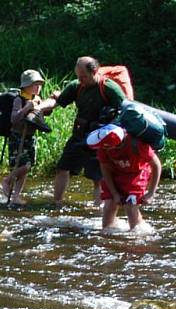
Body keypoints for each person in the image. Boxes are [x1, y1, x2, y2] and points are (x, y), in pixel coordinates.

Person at [37, 56, 126, 207]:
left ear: (95, 72)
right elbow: (57, 102)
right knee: (62, 168)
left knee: (97, 178)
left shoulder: (109, 88)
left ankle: (99, 210)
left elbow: (125, 112)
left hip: (100, 139)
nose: (81, 80)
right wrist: (38, 108)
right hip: (79, 134)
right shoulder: (76, 86)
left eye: (83, 76)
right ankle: (56, 203)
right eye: (78, 76)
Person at [86, 124, 161, 231]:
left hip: (137, 173)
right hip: (115, 173)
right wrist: (114, 193)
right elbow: (105, 170)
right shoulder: (103, 147)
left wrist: (151, 193)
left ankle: (139, 235)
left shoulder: (137, 144)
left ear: (113, 145)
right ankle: (108, 237)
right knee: (109, 207)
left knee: (130, 206)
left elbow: (156, 165)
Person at [1, 69, 47, 206]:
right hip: (18, 137)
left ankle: (16, 196)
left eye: (39, 84)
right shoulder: (19, 99)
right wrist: (27, 108)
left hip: (29, 137)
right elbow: (14, 119)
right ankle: (7, 180)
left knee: (27, 167)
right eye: (34, 84)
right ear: (26, 85)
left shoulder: (36, 99)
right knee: (24, 166)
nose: (38, 87)